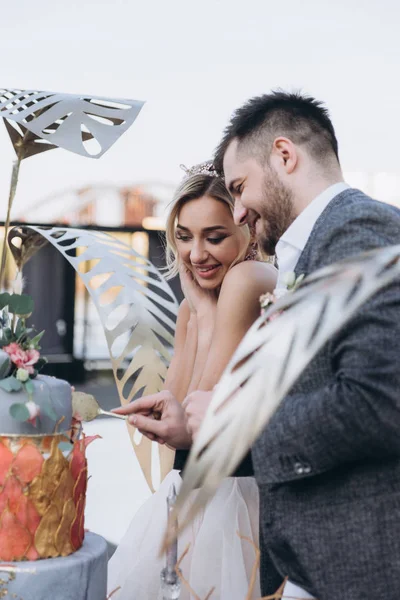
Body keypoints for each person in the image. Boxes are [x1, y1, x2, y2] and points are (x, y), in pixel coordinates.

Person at [209, 90, 400, 600]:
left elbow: (379, 400)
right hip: (313, 569)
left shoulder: (360, 228)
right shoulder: (312, 247)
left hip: (359, 571)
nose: (238, 210)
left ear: (284, 155)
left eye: (239, 186)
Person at [108, 162, 277, 599]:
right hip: (196, 493)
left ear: (248, 231)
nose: (196, 254)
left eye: (214, 237)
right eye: (184, 236)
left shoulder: (250, 278)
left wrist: (204, 314)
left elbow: (194, 422)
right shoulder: (198, 304)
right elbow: (174, 417)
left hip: (240, 499)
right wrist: (198, 313)